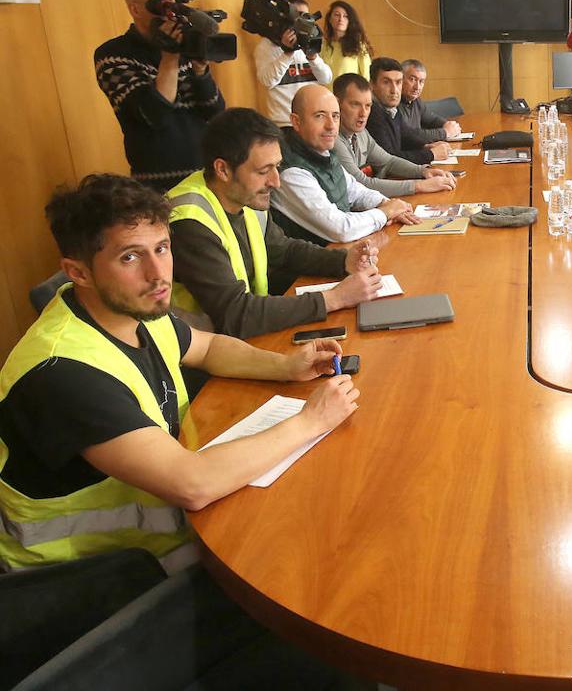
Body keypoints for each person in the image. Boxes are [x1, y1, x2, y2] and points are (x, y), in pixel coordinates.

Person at [0, 173, 366, 687]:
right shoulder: (64, 370)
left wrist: (285, 366)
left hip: (161, 530)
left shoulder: (130, 308)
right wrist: (311, 420)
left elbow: (207, 347)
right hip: (99, 576)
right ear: (76, 271)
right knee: (319, 594)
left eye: (163, 248)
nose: (158, 272)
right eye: (131, 256)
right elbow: (191, 484)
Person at [167, 107, 385, 338]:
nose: (276, 182)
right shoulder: (190, 221)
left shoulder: (245, 197)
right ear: (222, 169)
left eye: (277, 167)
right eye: (264, 171)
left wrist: (343, 260)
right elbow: (235, 314)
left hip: (242, 339)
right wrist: (334, 298)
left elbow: (284, 249)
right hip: (200, 357)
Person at [94, 0, 226, 192]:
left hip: (206, 174)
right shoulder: (113, 55)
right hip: (160, 184)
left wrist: (201, 70)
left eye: (171, 2)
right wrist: (170, 57)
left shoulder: (184, 46)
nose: (169, 11)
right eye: (160, 3)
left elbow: (215, 112)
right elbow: (154, 113)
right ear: (135, 10)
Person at [270, 84, 417, 245]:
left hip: (342, 256)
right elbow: (340, 229)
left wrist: (386, 204)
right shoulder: (290, 172)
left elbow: (355, 191)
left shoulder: (323, 151)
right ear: (296, 122)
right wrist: (385, 213)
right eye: (320, 116)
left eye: (335, 116)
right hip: (313, 265)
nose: (331, 126)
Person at [332, 73, 458, 199]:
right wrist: (419, 185)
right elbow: (361, 184)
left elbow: (388, 161)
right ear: (337, 104)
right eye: (355, 105)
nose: (363, 113)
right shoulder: (333, 139)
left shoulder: (361, 132)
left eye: (368, 106)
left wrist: (423, 171)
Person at [253, 0, 333, 126]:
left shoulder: (307, 42)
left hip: (313, 122)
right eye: (299, 15)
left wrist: (313, 57)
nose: (304, 21)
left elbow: (326, 78)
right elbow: (267, 81)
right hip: (285, 124)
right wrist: (287, 52)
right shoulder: (266, 46)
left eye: (307, 16)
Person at [364, 57, 454, 166]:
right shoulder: (371, 113)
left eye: (398, 82)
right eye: (386, 82)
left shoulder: (390, 108)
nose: (394, 90)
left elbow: (407, 135)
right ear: (372, 85)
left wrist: (425, 146)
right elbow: (389, 159)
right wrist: (431, 154)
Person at [319, 0, 372, 82]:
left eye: (345, 16)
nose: (341, 19)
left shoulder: (358, 44)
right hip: (326, 93)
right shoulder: (322, 44)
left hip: (350, 93)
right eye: (337, 15)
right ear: (329, 19)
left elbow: (366, 76)